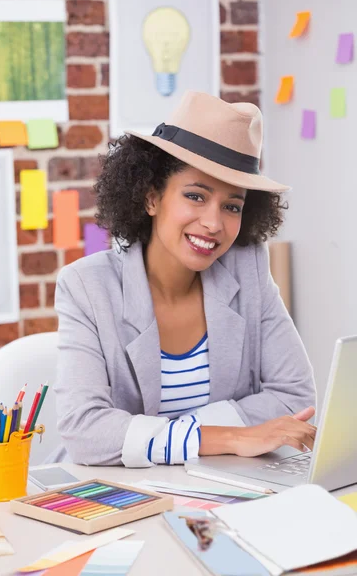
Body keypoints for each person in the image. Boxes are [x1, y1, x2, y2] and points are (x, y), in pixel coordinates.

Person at [48, 90, 316, 468]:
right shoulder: (87, 287)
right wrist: (229, 437)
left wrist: (159, 436)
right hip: (115, 495)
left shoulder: (248, 266)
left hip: (216, 488)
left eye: (232, 206)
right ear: (151, 197)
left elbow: (295, 398)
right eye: (195, 196)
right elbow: (85, 431)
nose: (213, 223)